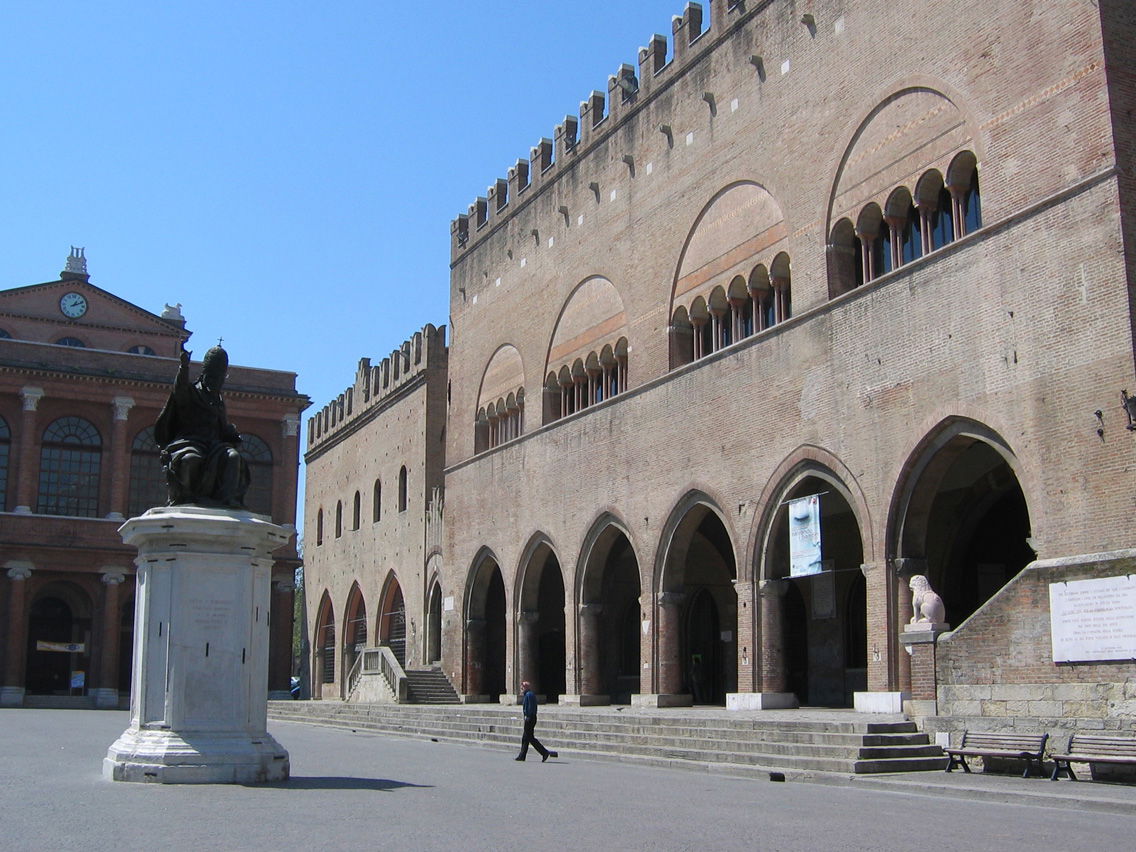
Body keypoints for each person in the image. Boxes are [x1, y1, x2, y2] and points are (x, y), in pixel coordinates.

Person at [154, 344, 250, 509]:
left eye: (220, 379)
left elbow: (221, 427)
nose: (217, 383)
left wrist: (231, 433)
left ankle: (227, 500)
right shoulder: (192, 392)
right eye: (213, 378)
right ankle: (186, 499)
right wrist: (184, 367)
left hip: (214, 445)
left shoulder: (218, 400)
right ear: (205, 374)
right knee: (192, 460)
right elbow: (180, 390)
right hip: (190, 441)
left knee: (233, 457)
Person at [514, 680, 557, 762]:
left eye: (522, 687)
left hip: (530, 718)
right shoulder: (528, 694)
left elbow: (530, 708)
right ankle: (522, 756)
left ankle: (544, 752)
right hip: (530, 718)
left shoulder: (529, 695)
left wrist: (528, 717)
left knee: (530, 738)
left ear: (526, 687)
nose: (521, 688)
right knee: (525, 738)